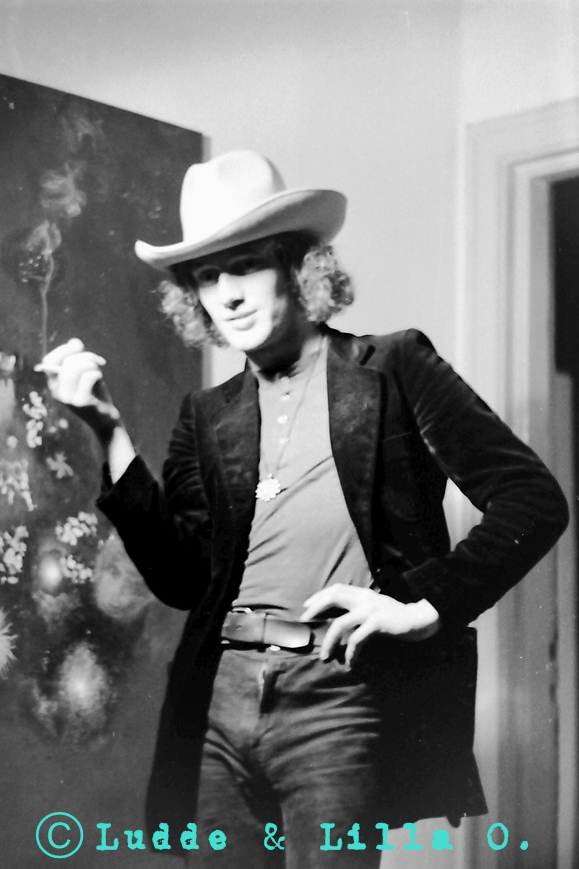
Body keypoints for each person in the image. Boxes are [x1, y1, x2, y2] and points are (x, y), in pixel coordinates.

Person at [39, 150, 568, 868]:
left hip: (339, 695)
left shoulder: (393, 366)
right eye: (207, 275)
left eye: (245, 265)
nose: (227, 294)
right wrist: (108, 431)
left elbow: (532, 499)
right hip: (218, 702)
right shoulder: (207, 414)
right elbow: (183, 579)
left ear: (296, 263)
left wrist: (425, 605)